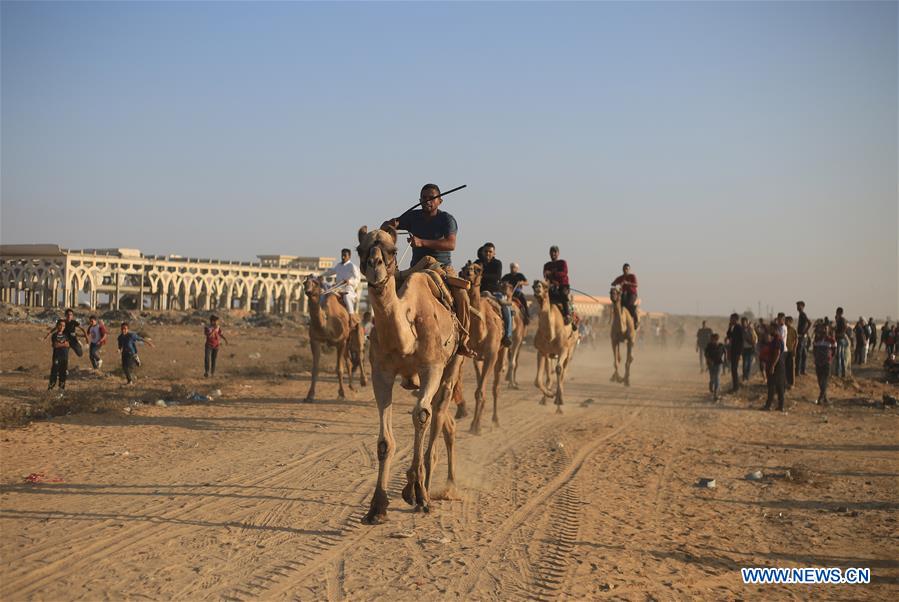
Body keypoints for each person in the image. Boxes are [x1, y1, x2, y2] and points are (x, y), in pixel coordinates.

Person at [384, 182, 475, 358]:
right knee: (388, 294)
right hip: (416, 268)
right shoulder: (412, 217)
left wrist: (422, 242)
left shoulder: (447, 219)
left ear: (440, 201)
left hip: (441, 268)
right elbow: (386, 228)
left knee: (462, 295)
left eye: (432, 198)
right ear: (419, 200)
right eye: (424, 198)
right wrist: (390, 224)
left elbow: (451, 244)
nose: (428, 201)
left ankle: (463, 340)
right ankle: (387, 338)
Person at [476, 242, 513, 347]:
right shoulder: (478, 262)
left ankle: (508, 335)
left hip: (494, 293)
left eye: (490, 252)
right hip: (479, 292)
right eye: (486, 251)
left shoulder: (497, 263)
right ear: (482, 252)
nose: (488, 253)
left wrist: (480, 274)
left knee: (506, 307)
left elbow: (496, 277)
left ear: (494, 253)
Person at [322, 248, 362, 317]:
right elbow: (330, 272)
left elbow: (358, 279)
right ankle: (322, 313)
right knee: (324, 293)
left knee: (346, 297)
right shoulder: (338, 265)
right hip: (337, 288)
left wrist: (349, 281)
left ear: (349, 256)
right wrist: (320, 275)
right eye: (342, 255)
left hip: (348, 288)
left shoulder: (352, 266)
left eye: (345, 255)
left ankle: (351, 315)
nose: (343, 257)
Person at [543, 245, 575, 328]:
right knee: (544, 297)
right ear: (549, 253)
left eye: (555, 252)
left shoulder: (562, 263)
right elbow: (545, 276)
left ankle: (567, 315)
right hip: (552, 287)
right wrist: (549, 277)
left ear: (558, 253)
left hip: (563, 285)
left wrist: (552, 274)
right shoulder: (547, 265)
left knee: (563, 294)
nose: (553, 253)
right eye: (551, 252)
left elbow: (564, 273)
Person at [762, 327, 786, 412]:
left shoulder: (777, 340)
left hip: (776, 365)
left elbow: (777, 353)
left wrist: (773, 365)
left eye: (772, 329)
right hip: (778, 365)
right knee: (779, 386)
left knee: (772, 385)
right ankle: (780, 405)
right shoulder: (775, 340)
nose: (770, 331)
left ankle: (769, 405)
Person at [812, 323, 836, 405]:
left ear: (828, 330)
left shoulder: (831, 339)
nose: (824, 331)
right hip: (818, 362)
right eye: (823, 329)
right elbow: (814, 349)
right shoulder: (817, 339)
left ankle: (820, 398)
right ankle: (825, 397)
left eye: (826, 329)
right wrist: (815, 358)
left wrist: (830, 357)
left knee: (824, 380)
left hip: (826, 362)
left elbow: (834, 349)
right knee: (820, 380)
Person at [501, 262, 530, 326]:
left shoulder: (520, 275)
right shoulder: (507, 276)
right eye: (511, 267)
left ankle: (527, 315)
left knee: (523, 300)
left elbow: (527, 283)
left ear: (517, 269)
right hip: (508, 293)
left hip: (517, 293)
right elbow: (501, 281)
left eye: (514, 267)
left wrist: (522, 283)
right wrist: (504, 283)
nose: (512, 269)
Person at [611, 263, 639, 328]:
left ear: (629, 270)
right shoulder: (620, 278)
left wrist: (627, 283)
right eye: (624, 269)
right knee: (620, 305)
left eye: (627, 269)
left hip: (632, 294)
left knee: (629, 305)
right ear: (622, 269)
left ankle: (636, 320)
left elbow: (636, 285)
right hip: (624, 294)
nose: (625, 270)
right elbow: (614, 282)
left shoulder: (632, 276)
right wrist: (614, 283)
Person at [47, 319, 70, 391]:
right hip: (57, 357)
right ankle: (50, 388)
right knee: (54, 373)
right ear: (57, 326)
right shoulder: (54, 335)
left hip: (65, 358)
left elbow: (68, 344)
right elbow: (56, 345)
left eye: (64, 326)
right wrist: (64, 344)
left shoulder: (66, 335)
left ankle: (61, 390)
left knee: (63, 374)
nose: (62, 327)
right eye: (61, 325)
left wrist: (61, 344)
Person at [724, 313, 744, 393]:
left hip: (736, 352)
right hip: (733, 350)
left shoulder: (739, 328)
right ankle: (735, 386)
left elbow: (741, 341)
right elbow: (729, 336)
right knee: (733, 369)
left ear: (735, 319)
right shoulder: (733, 327)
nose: (730, 320)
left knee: (734, 369)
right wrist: (729, 327)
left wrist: (740, 353)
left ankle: (736, 387)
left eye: (731, 319)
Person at [704, 333, 726, 402]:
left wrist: (725, 361)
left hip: (719, 364)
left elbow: (725, 353)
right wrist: (709, 361)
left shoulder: (721, 346)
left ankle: (716, 393)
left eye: (715, 339)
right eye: (712, 339)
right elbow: (706, 355)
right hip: (711, 364)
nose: (713, 341)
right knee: (712, 378)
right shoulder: (709, 346)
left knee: (717, 378)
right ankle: (711, 385)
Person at [795, 301, 810, 376]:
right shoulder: (801, 314)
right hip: (802, 336)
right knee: (803, 354)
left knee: (799, 354)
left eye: (799, 306)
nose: (797, 307)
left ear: (803, 306)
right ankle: (802, 370)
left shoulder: (803, 314)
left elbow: (809, 322)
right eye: (797, 306)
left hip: (802, 337)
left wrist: (805, 332)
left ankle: (798, 371)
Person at [834, 307, 848, 377]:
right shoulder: (842, 320)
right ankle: (843, 373)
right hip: (842, 339)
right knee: (842, 357)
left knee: (839, 357)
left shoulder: (841, 320)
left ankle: (838, 373)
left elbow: (844, 328)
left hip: (840, 339)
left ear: (838, 312)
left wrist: (839, 334)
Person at [740, 316, 756, 381]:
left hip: (751, 349)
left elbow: (755, 339)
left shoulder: (751, 330)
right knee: (745, 364)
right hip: (744, 349)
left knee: (749, 364)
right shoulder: (741, 330)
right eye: (742, 322)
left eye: (744, 322)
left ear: (747, 322)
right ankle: (744, 377)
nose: (743, 324)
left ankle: (747, 376)